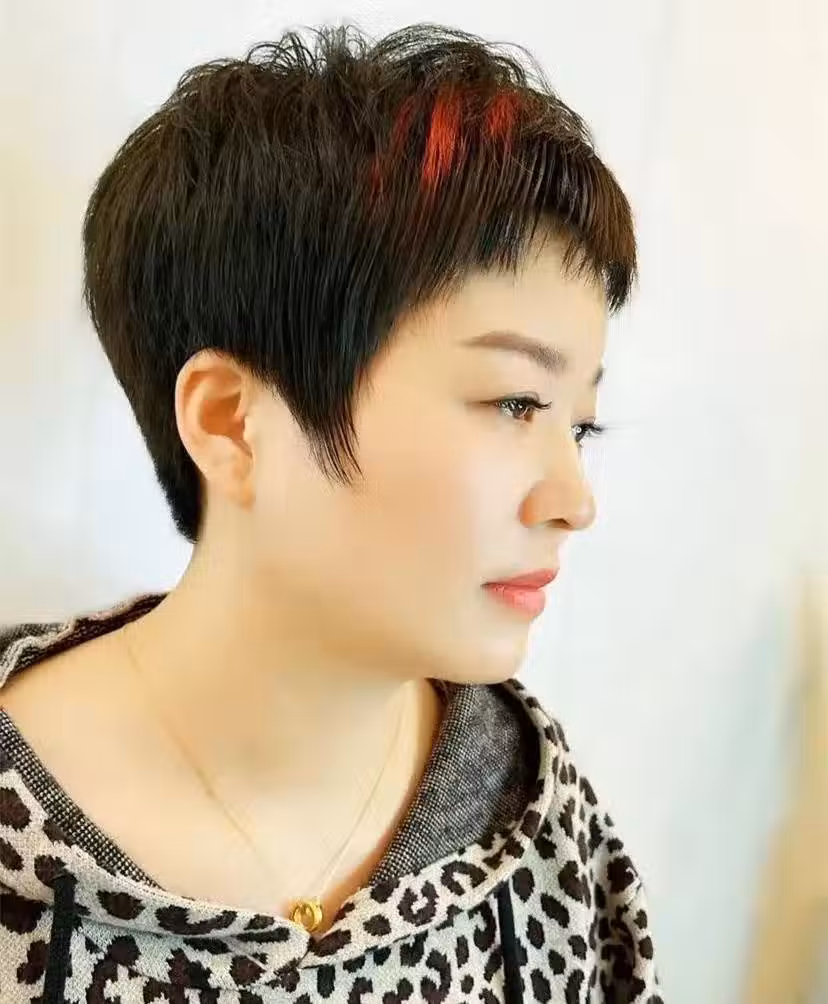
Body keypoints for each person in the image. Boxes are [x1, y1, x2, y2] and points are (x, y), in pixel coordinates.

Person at [0, 22, 662, 1003]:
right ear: (231, 422)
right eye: (516, 402)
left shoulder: (534, 815)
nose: (574, 501)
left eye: (582, 424)